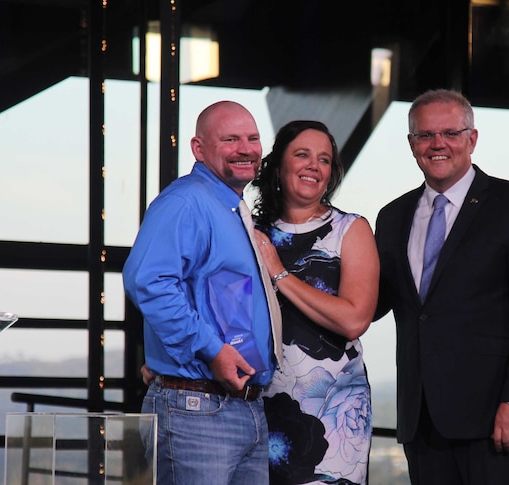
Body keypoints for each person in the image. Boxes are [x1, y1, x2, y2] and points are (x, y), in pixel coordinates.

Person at [373, 89, 509, 485]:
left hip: (497, 421)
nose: (437, 144)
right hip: (422, 422)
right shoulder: (392, 217)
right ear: (411, 145)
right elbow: (372, 303)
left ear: (472, 139)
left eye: (450, 133)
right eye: (425, 135)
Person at [123, 100, 282, 484]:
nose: (246, 148)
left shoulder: (229, 208)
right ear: (199, 149)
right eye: (230, 139)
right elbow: (146, 279)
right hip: (197, 408)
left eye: (253, 138)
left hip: (243, 408)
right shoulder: (187, 201)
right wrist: (209, 350)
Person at [249, 120, 380, 485]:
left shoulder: (351, 230)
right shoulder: (251, 232)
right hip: (258, 409)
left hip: (332, 415)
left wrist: (280, 274)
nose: (313, 165)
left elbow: (354, 320)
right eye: (302, 154)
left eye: (324, 159)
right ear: (278, 166)